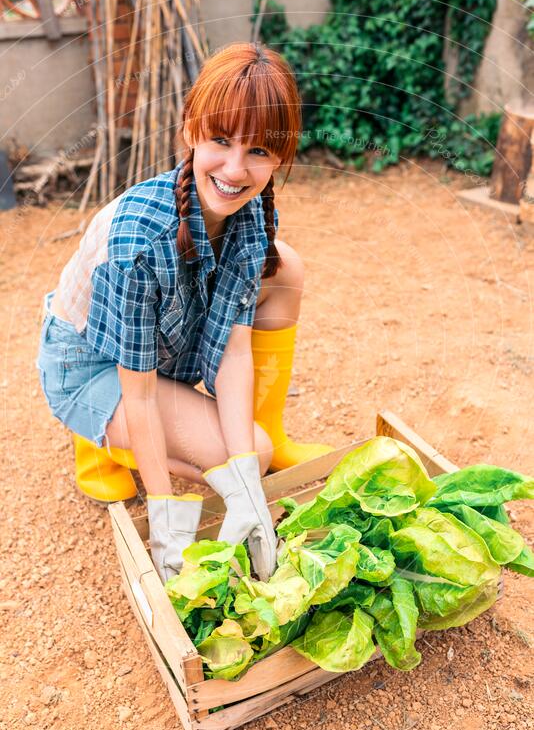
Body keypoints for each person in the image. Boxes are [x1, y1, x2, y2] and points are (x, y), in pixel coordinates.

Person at [36, 42, 332, 584]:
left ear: (281, 156)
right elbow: (141, 392)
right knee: (245, 451)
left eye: (260, 151)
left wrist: (245, 480)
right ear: (191, 129)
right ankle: (102, 444)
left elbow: (235, 348)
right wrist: (167, 522)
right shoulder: (137, 240)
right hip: (94, 366)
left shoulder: (249, 213)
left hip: (166, 341)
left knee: (254, 448)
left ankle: (253, 446)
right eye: (221, 141)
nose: (236, 169)